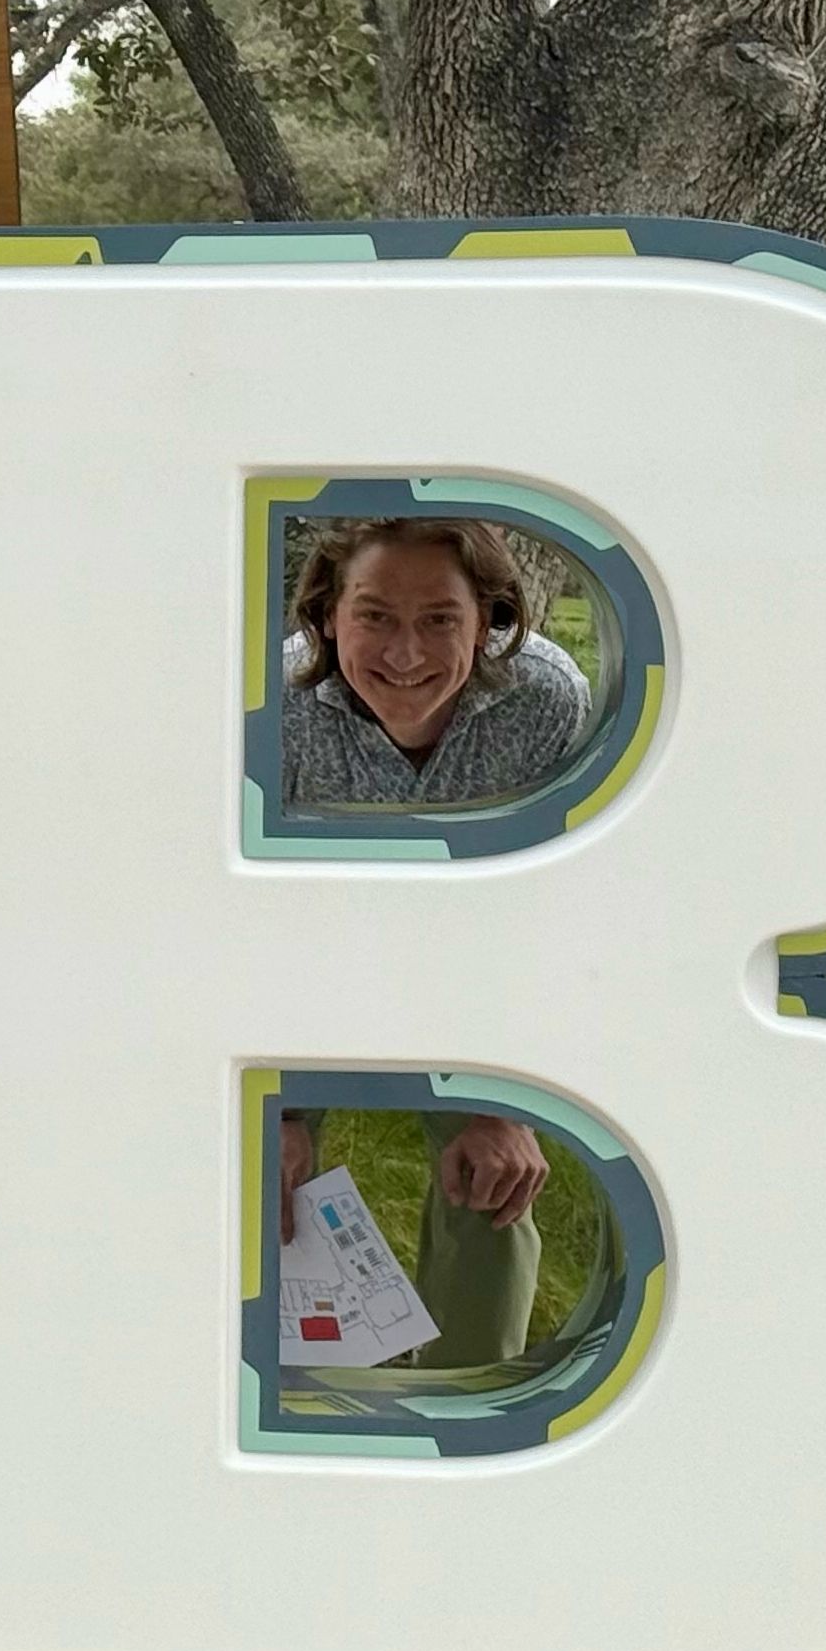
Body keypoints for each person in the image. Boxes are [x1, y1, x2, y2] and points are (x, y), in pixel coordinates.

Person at [277, 517, 589, 1364]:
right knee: (255, 1176)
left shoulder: (544, 703)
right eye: (374, 615)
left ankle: (465, 1399)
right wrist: (284, 1105)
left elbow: (550, 912)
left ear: (487, 619)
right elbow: (270, 925)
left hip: (475, 969)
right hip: (324, 958)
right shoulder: (279, 711)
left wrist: (495, 1105)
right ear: (326, 616)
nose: (406, 652)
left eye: (440, 620)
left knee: (495, 1186)